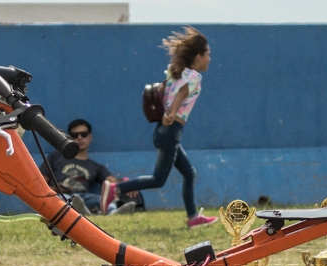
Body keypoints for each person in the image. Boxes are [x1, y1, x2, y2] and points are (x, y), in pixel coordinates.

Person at [102, 27, 217, 228]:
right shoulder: (193, 77)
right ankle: (116, 189)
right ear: (198, 57)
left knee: (189, 173)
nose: (210, 58)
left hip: (166, 132)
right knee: (158, 179)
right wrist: (172, 112)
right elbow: (181, 94)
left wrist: (169, 113)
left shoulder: (177, 73)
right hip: (170, 131)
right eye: (208, 54)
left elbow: (171, 93)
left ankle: (193, 217)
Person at [41, 119, 136, 215]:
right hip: (61, 195)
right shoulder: (56, 156)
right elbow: (40, 183)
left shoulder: (96, 167)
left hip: (85, 198)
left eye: (84, 134)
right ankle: (79, 210)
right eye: (75, 135)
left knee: (106, 199)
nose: (79, 137)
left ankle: (112, 213)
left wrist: (127, 184)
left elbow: (112, 182)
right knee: (64, 199)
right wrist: (55, 189)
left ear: (90, 137)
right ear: (69, 138)